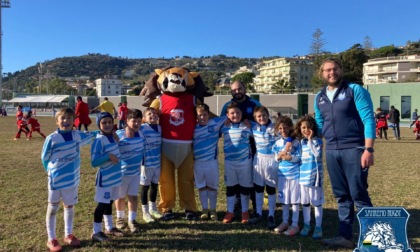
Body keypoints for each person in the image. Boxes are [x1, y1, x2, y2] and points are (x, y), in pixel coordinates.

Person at [314, 58, 375, 249]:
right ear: (322, 74)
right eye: (327, 70)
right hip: (332, 151)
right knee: (341, 195)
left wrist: (368, 149)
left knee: (358, 194)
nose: (331, 73)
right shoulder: (320, 96)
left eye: (335, 69)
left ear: (341, 70)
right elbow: (319, 123)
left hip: (354, 149)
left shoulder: (355, 90)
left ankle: (372, 239)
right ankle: (345, 236)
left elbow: (368, 119)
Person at [41, 108, 92, 251]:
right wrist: (50, 172)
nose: (66, 121)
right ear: (57, 121)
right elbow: (44, 158)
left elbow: (92, 136)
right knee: (53, 208)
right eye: (63, 118)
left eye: (69, 118)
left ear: (74, 120)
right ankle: (51, 239)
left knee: (69, 206)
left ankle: (68, 235)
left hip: (72, 179)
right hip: (56, 180)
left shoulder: (77, 135)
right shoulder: (52, 138)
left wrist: (109, 131)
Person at [220, 80, 261, 215]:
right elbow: (221, 124)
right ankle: (237, 205)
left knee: (253, 177)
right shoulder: (227, 106)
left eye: (239, 89)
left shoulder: (254, 103)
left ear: (245, 88)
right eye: (234, 90)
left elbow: (263, 119)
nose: (237, 92)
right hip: (235, 148)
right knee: (235, 177)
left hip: (255, 146)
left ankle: (256, 206)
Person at [90, 112, 125, 242]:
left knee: (109, 202)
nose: (107, 125)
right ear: (99, 124)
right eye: (104, 122)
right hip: (105, 179)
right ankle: (96, 232)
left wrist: (117, 140)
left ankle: (109, 227)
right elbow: (94, 162)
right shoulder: (99, 140)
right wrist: (108, 156)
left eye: (110, 122)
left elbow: (119, 151)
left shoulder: (112, 137)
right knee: (102, 204)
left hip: (115, 177)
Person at [221, 102, 253, 224]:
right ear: (227, 115)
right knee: (231, 188)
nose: (235, 115)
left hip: (245, 163)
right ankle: (230, 211)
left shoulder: (247, 126)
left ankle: (245, 211)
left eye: (238, 112)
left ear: (242, 114)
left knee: (245, 188)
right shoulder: (224, 126)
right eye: (232, 113)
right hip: (230, 163)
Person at [247, 106, 279, 229]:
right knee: (258, 188)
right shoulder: (253, 128)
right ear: (255, 118)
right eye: (259, 116)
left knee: (271, 189)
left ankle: (271, 214)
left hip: (272, 161)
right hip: (259, 160)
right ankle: (259, 213)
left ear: (268, 115)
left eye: (264, 115)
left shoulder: (275, 128)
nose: (262, 118)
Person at [193, 104, 226, 221]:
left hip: (212, 162)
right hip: (197, 162)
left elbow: (228, 116)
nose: (202, 117)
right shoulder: (193, 127)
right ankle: (204, 209)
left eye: (205, 114)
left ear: (209, 114)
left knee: (212, 186)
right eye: (199, 115)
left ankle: (213, 209)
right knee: (201, 186)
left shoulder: (215, 123)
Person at [114, 109, 145, 233]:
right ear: (127, 121)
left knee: (133, 197)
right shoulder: (119, 134)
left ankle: (132, 220)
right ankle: (120, 218)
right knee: (120, 197)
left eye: (139, 121)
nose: (136, 124)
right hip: (121, 173)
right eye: (133, 121)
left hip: (135, 174)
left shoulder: (142, 134)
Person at [294, 115, 324, 239]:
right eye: (303, 127)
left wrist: (311, 140)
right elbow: (298, 158)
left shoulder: (318, 141)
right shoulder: (301, 142)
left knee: (316, 203)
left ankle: (318, 226)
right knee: (305, 203)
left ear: (313, 128)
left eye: (308, 127)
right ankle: (307, 224)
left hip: (315, 179)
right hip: (303, 179)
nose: (306, 130)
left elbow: (317, 155)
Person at [272, 116, 301, 236]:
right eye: (280, 128)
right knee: (284, 201)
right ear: (277, 130)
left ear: (289, 127)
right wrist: (278, 157)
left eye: (285, 127)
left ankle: (295, 224)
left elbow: (299, 158)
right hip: (282, 176)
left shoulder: (296, 142)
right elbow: (275, 157)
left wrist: (291, 158)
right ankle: (285, 222)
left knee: (294, 201)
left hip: (294, 176)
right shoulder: (277, 143)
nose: (283, 130)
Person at [139, 107, 163, 223]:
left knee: (154, 186)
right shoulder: (142, 128)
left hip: (157, 163)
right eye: (149, 114)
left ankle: (153, 209)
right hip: (146, 164)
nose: (152, 115)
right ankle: (145, 212)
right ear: (144, 118)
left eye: (154, 113)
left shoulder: (160, 128)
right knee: (145, 187)